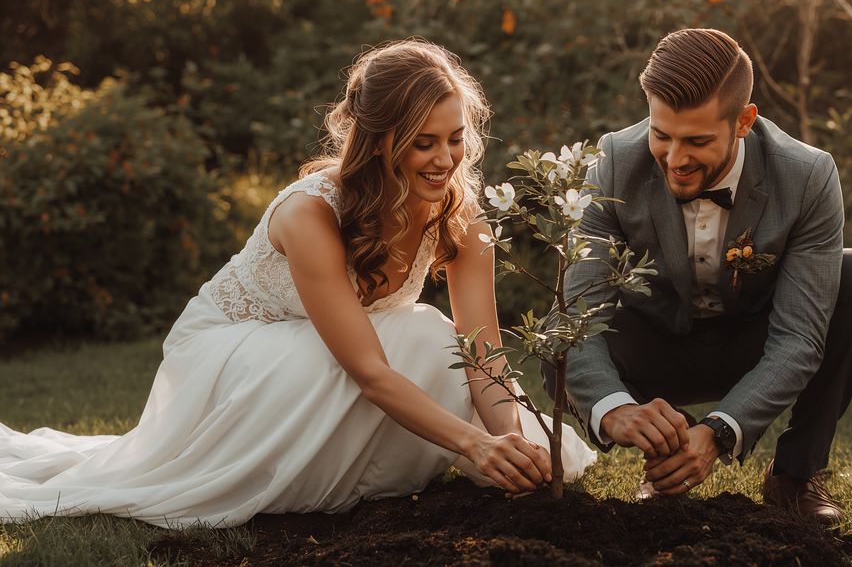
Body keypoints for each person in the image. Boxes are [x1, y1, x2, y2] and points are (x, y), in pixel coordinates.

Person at [0, 39, 595, 529]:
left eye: (456, 138)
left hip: (333, 356)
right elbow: (367, 369)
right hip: (232, 355)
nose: (447, 159)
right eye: (425, 142)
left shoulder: (461, 216)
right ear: (381, 139)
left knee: (431, 340)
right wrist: (471, 445)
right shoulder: (311, 213)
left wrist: (510, 443)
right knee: (414, 335)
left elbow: (481, 350)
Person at [547, 28, 852, 526]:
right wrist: (617, 409)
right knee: (560, 342)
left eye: (698, 140)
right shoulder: (614, 161)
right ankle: (667, 454)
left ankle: (795, 476)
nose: (675, 158)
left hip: (754, 341)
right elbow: (579, 309)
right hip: (656, 342)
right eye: (661, 134)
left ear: (744, 121)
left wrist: (718, 432)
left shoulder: (807, 176)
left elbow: (799, 335)